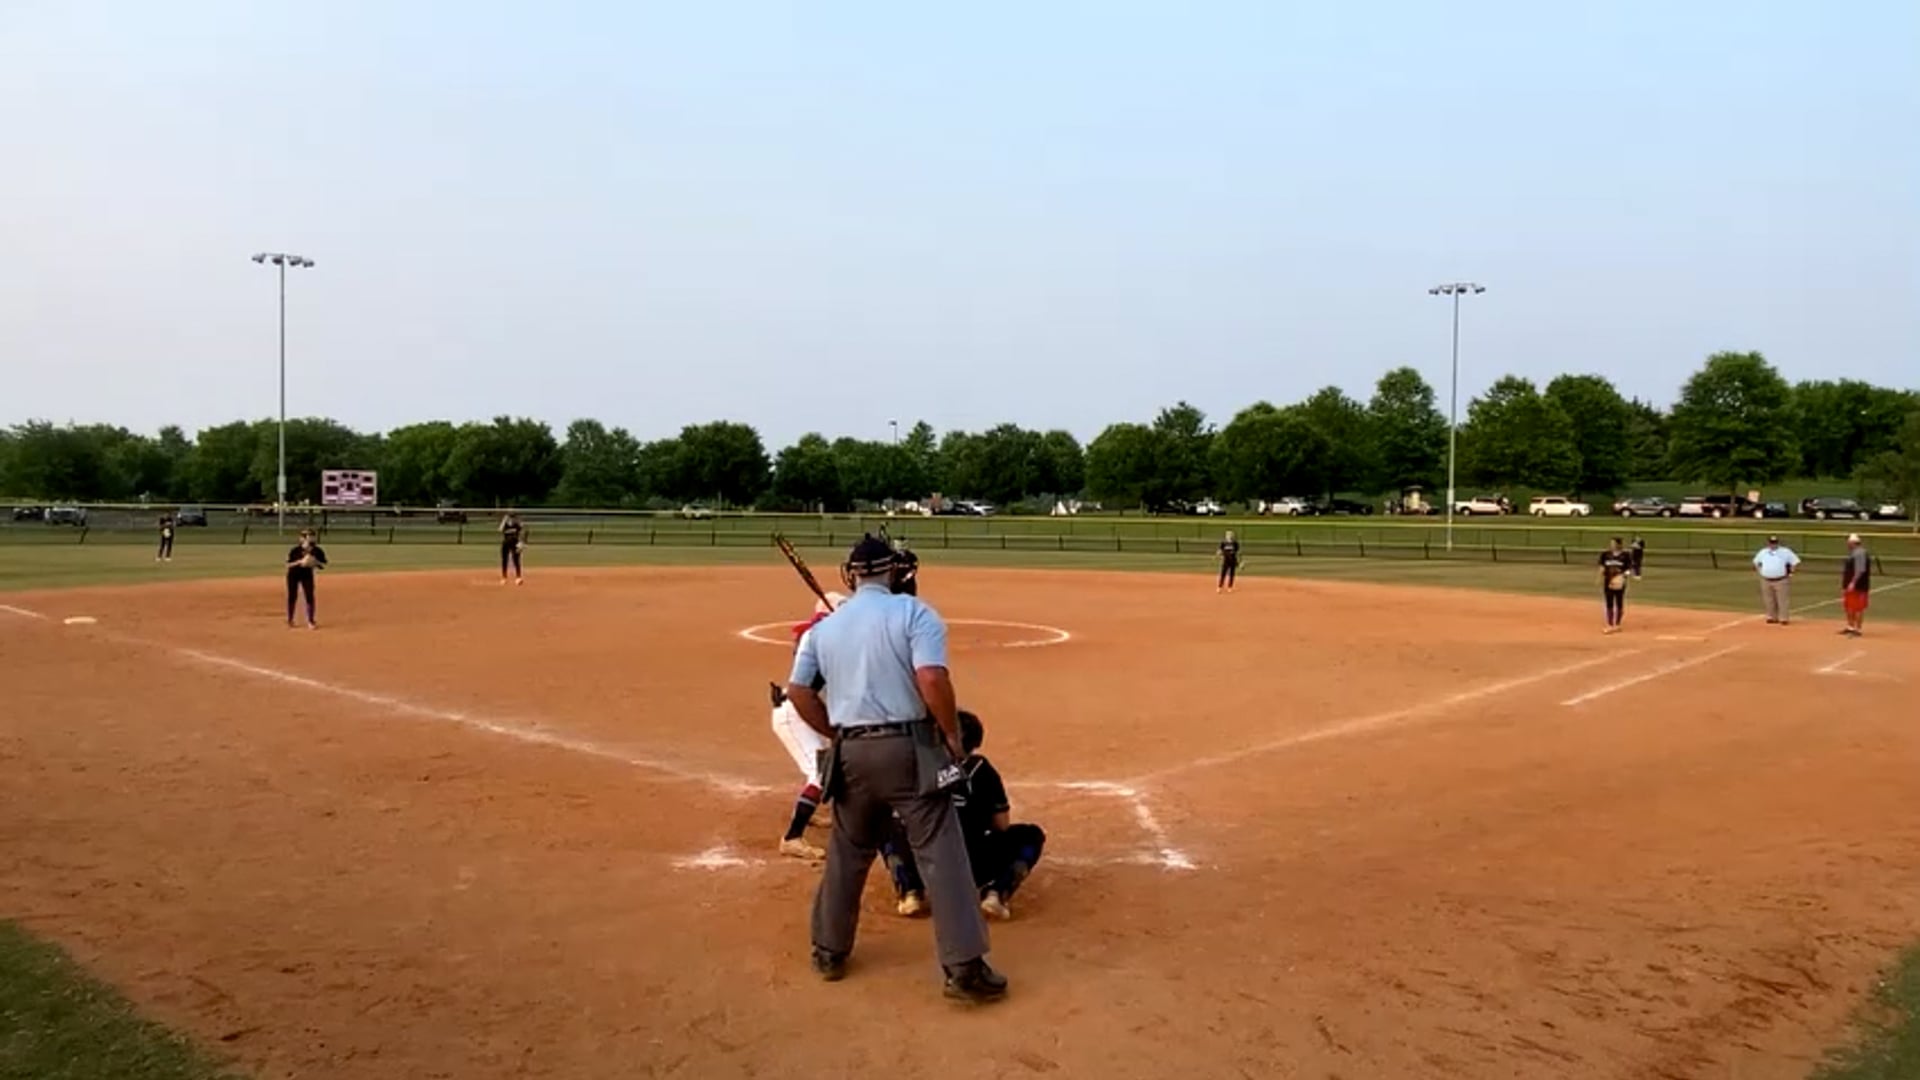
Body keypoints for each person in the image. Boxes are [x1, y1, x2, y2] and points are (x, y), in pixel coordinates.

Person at [783, 535, 1006, 1002]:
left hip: (851, 752)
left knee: (848, 853)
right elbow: (931, 677)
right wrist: (950, 734)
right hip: (908, 749)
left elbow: (799, 691)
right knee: (942, 853)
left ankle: (829, 951)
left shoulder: (825, 629)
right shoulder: (915, 614)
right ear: (895, 572)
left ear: (853, 575)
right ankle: (964, 969)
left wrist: (836, 733)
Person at [884, 710, 1046, 921]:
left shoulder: (916, 766)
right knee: (1031, 835)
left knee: (884, 826)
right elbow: (1001, 825)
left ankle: (910, 891)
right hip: (968, 867)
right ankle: (996, 894)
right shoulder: (980, 769)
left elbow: (897, 813)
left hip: (922, 861)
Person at [768, 590, 847, 860]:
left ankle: (812, 812)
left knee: (832, 763)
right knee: (820, 773)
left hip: (813, 714)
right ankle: (792, 838)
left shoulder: (827, 637)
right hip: (796, 716)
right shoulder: (813, 637)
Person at [284, 529, 329, 629]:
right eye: (308, 536)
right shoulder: (295, 550)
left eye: (312, 536)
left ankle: (310, 621)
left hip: (307, 575)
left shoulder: (317, 551)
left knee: (309, 596)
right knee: (292, 596)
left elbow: (323, 564)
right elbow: (288, 564)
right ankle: (290, 619)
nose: (311, 538)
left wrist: (314, 562)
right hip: (293, 575)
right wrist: (300, 562)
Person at [1752, 535, 1799, 625]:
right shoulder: (1763, 552)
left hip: (1781, 579)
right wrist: (1760, 572)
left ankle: (1783, 618)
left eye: (1775, 543)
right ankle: (1771, 617)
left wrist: (1791, 573)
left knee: (1782, 600)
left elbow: (1795, 562)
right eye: (1771, 543)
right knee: (1769, 599)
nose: (1773, 545)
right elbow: (1756, 562)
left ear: (1778, 543)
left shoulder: (1785, 552)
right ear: (1768, 543)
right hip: (1766, 580)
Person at [1598, 538, 1632, 633]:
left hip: (1619, 581)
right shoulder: (1605, 554)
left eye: (1614, 543)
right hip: (1608, 581)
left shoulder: (1625, 555)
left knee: (1619, 602)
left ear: (1619, 544)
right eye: (1611, 543)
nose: (1612, 545)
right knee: (1609, 602)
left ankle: (1617, 624)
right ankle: (1610, 624)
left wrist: (1623, 576)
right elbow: (1602, 566)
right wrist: (1600, 576)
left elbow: (1629, 569)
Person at [1841, 533, 1871, 637]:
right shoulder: (1854, 553)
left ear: (1853, 543)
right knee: (1849, 606)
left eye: (1849, 543)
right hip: (1850, 585)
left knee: (1858, 607)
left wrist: (1853, 582)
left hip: (1859, 586)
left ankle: (1858, 629)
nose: (1847, 545)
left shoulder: (1860, 553)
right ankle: (1850, 627)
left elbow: (1860, 570)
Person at [499, 512, 527, 585]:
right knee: (504, 560)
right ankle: (504, 577)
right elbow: (500, 529)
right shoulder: (505, 524)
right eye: (510, 517)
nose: (511, 519)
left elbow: (524, 531)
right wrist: (504, 520)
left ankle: (518, 577)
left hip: (515, 543)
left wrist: (522, 543)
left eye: (513, 517)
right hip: (506, 542)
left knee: (516, 560)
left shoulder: (517, 525)